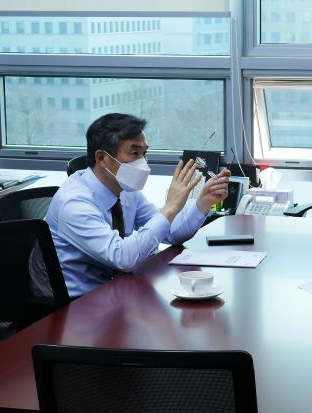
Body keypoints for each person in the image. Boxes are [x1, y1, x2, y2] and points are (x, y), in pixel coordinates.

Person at [45, 113, 230, 297]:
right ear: (101, 158)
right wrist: (169, 208)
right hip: (79, 303)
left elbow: (172, 233)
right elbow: (123, 258)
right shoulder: (74, 203)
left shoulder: (125, 190)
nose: (143, 162)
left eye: (144, 153)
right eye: (134, 153)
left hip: (117, 290)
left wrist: (203, 202)